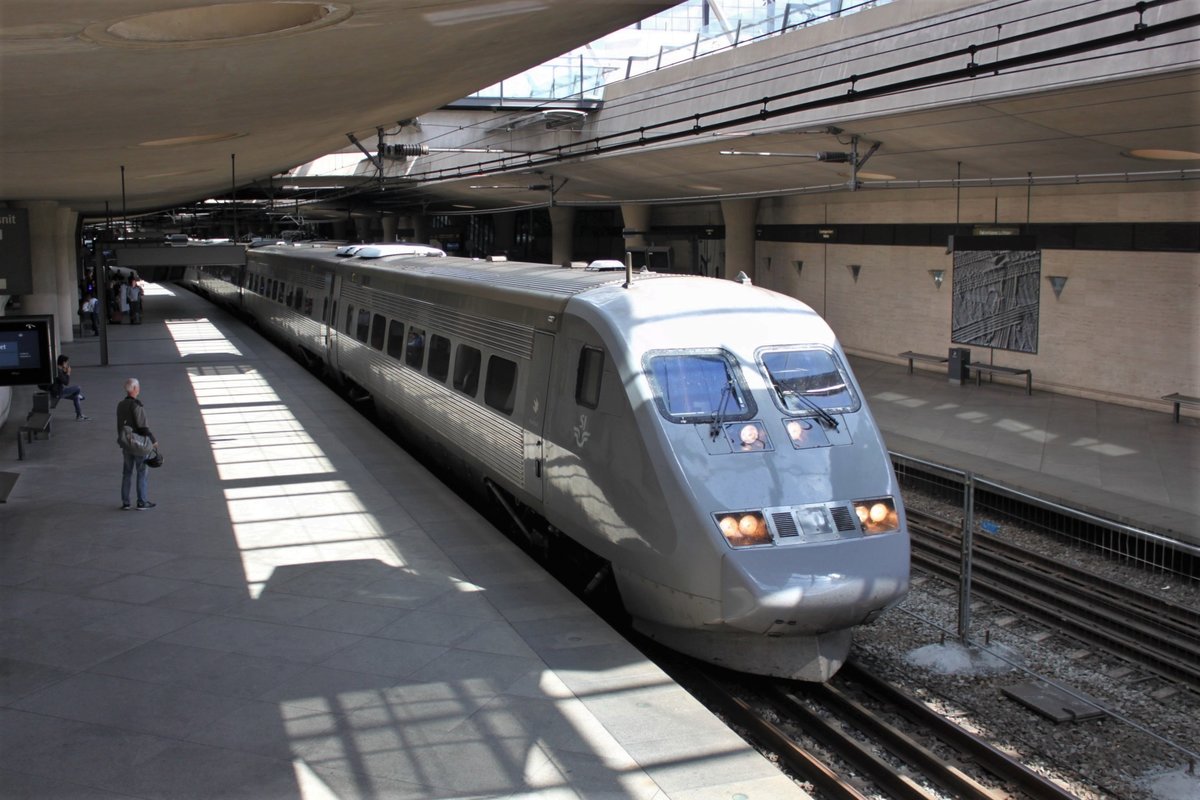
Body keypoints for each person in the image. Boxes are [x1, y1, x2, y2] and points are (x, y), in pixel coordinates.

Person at [117, 377, 159, 510]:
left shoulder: (120, 404)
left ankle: (126, 502)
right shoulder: (136, 405)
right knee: (142, 471)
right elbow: (142, 427)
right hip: (138, 443)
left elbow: (119, 424)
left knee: (127, 472)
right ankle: (142, 501)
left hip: (126, 443)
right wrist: (153, 440)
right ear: (135, 389)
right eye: (138, 387)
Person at [54, 354, 90, 420]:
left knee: (76, 397)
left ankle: (79, 416)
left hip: (60, 390)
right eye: (67, 362)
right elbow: (66, 382)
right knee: (78, 387)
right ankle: (78, 394)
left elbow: (62, 380)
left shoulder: (59, 370)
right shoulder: (58, 371)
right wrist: (68, 373)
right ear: (63, 362)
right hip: (60, 392)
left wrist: (64, 372)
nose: (67, 364)